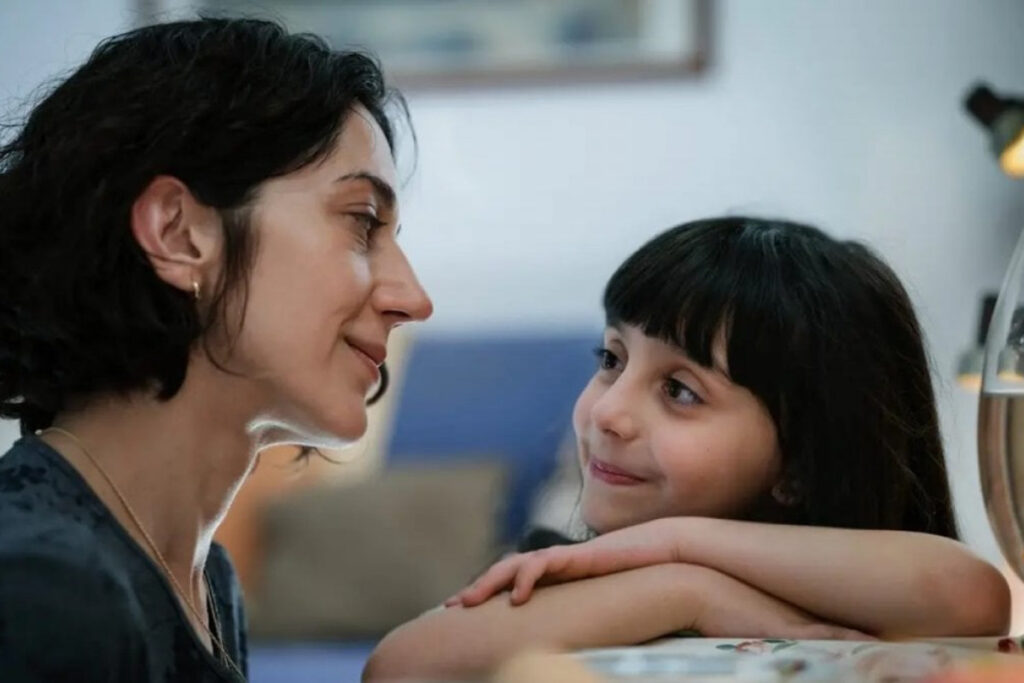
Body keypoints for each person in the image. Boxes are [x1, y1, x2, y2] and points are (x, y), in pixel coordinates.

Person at [364, 217, 1010, 682]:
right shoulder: (558, 570)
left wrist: (679, 542)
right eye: (611, 359)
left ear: (801, 464)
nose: (608, 411)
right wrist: (686, 590)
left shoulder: (866, 598)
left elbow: (972, 593)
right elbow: (399, 665)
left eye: (680, 389)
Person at [0, 17, 431, 682]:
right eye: (362, 222)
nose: (413, 298)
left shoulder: (206, 582)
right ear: (178, 233)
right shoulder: (45, 590)